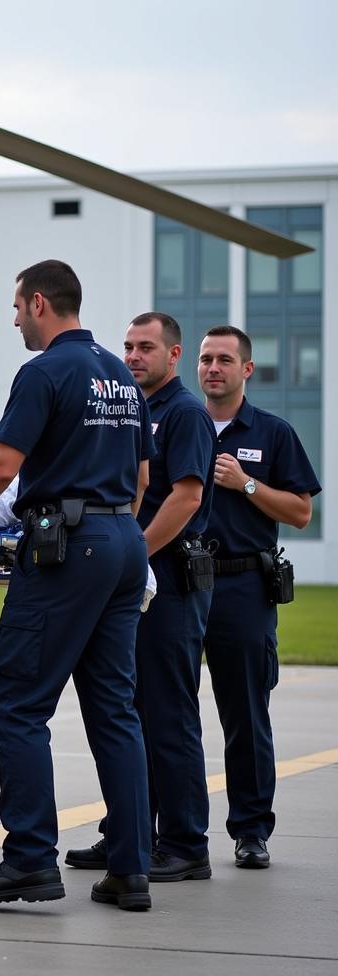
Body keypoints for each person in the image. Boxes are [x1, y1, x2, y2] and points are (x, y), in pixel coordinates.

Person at [0, 260, 154, 911]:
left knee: (18, 704)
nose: (14, 318)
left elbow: (0, 467)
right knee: (116, 712)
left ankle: (29, 861)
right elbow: (142, 480)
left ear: (39, 302)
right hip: (123, 544)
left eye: (17, 307)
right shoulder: (120, 376)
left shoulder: (44, 372)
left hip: (69, 548)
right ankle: (131, 869)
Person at [66, 312, 216, 881]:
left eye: (145, 348)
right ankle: (128, 835)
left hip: (170, 584)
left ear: (174, 356)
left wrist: (136, 556)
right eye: (127, 346)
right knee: (128, 714)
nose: (132, 356)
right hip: (138, 584)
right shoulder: (133, 408)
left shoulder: (184, 414)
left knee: (169, 718)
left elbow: (186, 498)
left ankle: (184, 845)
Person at [197, 325, 319, 870]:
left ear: (247, 368)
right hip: (179, 582)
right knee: (160, 709)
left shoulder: (272, 432)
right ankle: (161, 828)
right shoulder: (180, 425)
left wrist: (245, 483)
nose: (212, 368)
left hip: (242, 585)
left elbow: (300, 511)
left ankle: (251, 831)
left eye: (225, 359)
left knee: (245, 713)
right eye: (204, 359)